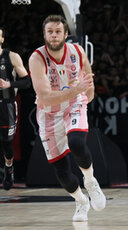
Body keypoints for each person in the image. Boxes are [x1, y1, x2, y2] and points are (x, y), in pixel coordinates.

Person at [28, 15, 106, 222]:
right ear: (44, 35)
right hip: (48, 113)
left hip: (73, 104)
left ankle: (90, 182)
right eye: (50, 32)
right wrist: (78, 90)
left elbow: (88, 82)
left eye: (58, 31)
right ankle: (81, 201)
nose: (54, 35)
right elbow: (44, 96)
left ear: (65, 34)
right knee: (62, 172)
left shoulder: (78, 52)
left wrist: (85, 96)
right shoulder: (37, 58)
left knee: (77, 142)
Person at [0, 27, 31, 190]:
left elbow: (26, 82)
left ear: (2, 39)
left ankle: (8, 168)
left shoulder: (11, 57)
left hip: (6, 104)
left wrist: (9, 84)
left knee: (6, 142)